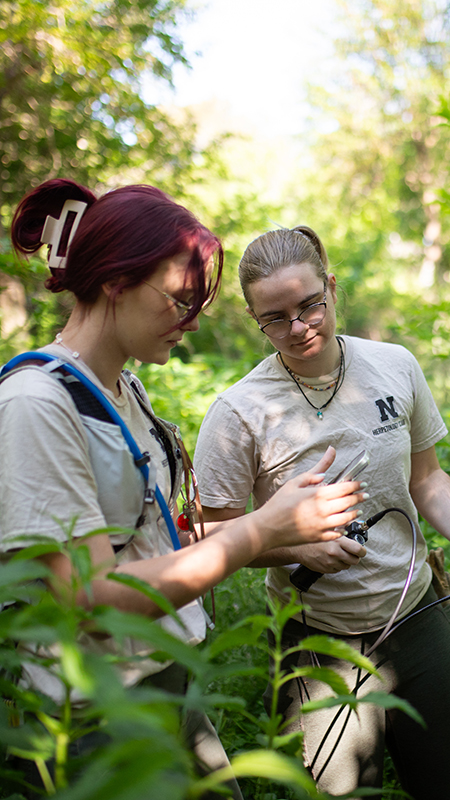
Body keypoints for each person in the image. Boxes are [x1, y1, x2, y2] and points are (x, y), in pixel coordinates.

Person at [0, 188, 366, 799]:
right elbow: (88, 596)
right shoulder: (35, 406)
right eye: (180, 300)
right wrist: (259, 529)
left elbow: (153, 545)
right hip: (93, 711)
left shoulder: (124, 391)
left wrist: (288, 526)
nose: (192, 322)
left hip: (162, 679)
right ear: (117, 281)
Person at [193, 224, 450, 800]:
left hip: (418, 613)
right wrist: (295, 548)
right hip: (319, 640)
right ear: (254, 320)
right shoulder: (239, 412)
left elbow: (429, 481)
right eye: (275, 318)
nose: (299, 328)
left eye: (310, 305)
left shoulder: (395, 366)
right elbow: (208, 533)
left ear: (331, 286)